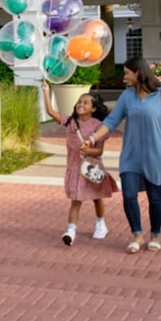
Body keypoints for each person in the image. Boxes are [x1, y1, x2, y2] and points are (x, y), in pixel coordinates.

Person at [82, 56, 161, 254]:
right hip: (131, 155)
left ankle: (155, 234)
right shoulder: (127, 96)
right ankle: (137, 234)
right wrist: (92, 138)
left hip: (156, 155)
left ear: (138, 73)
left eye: (127, 73)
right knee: (128, 195)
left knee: (155, 198)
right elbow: (111, 121)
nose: (124, 77)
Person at [41, 80, 117, 246]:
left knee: (96, 198)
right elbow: (50, 111)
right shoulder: (70, 122)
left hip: (91, 167)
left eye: (86, 102)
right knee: (76, 199)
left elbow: (100, 151)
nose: (81, 104)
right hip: (75, 167)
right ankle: (70, 231)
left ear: (94, 108)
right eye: (79, 102)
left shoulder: (98, 126)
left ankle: (100, 224)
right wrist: (46, 91)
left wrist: (88, 151)